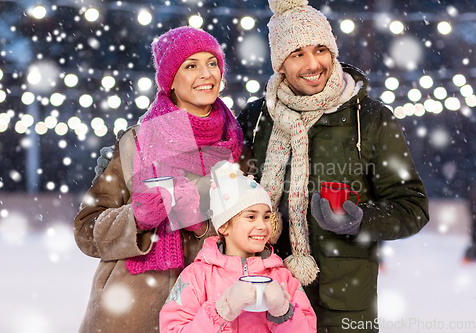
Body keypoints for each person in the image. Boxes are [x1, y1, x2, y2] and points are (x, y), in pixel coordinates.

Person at [236, 0, 429, 332]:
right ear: (280, 64)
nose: (314, 64)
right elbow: (228, 193)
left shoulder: (370, 119)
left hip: (342, 307)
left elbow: (413, 207)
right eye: (298, 54)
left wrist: (360, 220)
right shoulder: (257, 119)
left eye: (321, 49)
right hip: (265, 295)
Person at [74, 27, 243, 333]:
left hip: (208, 312)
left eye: (212, 62)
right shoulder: (135, 142)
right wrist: (136, 219)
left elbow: (259, 224)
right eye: (191, 66)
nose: (206, 74)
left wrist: (205, 223)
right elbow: (87, 231)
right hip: (128, 314)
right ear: (170, 82)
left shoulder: (237, 145)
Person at [159, 163, 317, 332]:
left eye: (266, 217)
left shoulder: (282, 277)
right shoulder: (196, 277)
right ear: (224, 226)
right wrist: (220, 312)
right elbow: (173, 328)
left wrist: (283, 313)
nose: (262, 225)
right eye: (251, 216)